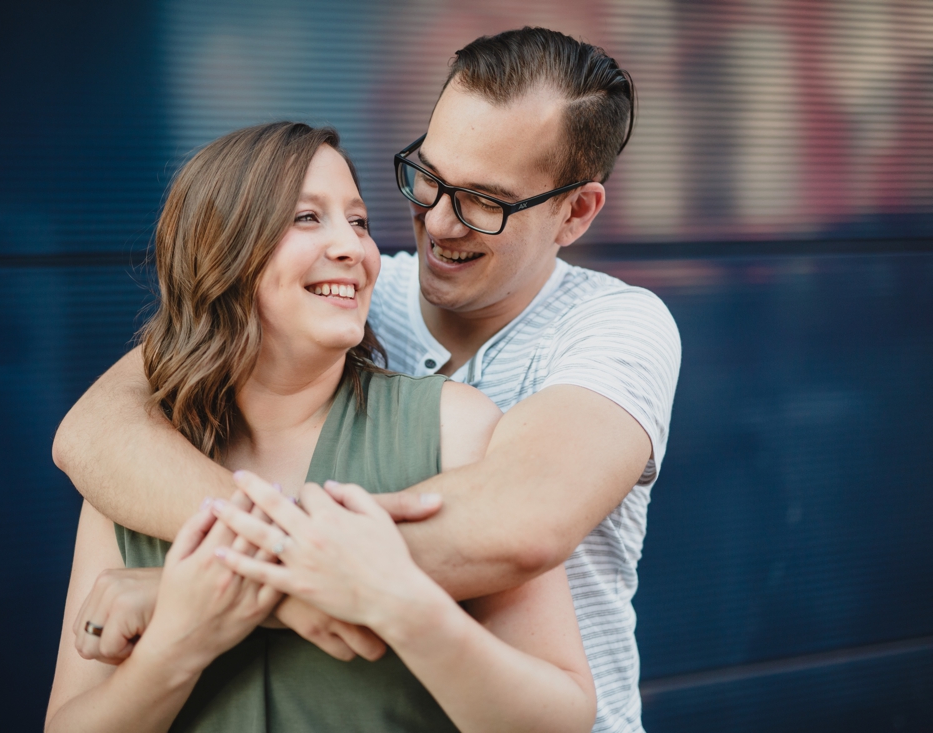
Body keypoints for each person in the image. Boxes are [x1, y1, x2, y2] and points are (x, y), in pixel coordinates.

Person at [54, 28, 681, 732]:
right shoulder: (343, 297)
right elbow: (98, 427)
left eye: (483, 200)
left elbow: (517, 524)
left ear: (575, 211)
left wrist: (192, 587)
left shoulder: (615, 327)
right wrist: (231, 595)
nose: (437, 221)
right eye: (429, 176)